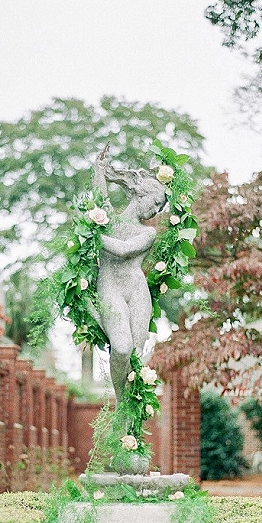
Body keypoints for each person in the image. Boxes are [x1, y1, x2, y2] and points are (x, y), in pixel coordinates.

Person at [92, 148, 167, 404]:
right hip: (110, 286)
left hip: (136, 291)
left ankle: (129, 413)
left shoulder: (147, 234)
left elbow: (123, 250)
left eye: (160, 207)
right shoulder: (109, 222)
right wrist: (99, 170)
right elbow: (100, 201)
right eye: (155, 202)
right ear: (140, 194)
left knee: (136, 354)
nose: (156, 210)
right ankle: (121, 401)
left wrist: (89, 237)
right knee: (121, 348)